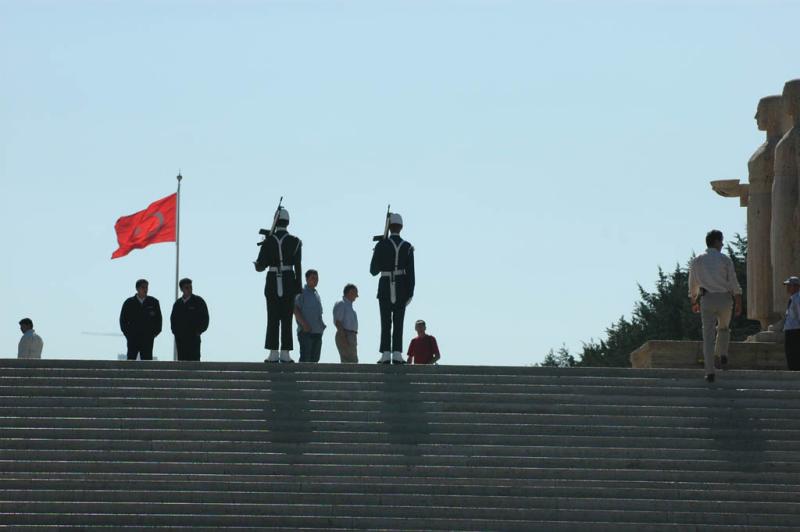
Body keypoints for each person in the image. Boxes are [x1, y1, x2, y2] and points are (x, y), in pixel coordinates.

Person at [688, 230, 743, 382]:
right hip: (725, 298)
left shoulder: (697, 260)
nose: (723, 244)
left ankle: (710, 371)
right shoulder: (725, 259)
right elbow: (733, 281)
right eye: (721, 241)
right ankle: (722, 353)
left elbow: (692, 283)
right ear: (717, 242)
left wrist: (693, 300)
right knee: (724, 327)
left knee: (708, 336)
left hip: (706, 298)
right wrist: (738, 299)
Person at [254, 208, 302, 363]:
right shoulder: (296, 241)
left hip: (272, 280)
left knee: (272, 317)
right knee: (287, 318)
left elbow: (261, 265)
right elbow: (298, 266)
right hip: (289, 280)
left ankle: (273, 352)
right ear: (288, 222)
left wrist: (257, 264)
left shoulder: (268, 241)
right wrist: (298, 288)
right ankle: (286, 353)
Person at [370, 212, 415, 364]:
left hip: (384, 286)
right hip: (402, 287)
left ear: (389, 227)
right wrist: (410, 292)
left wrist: (378, 251)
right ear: (401, 227)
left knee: (385, 321)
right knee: (398, 321)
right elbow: (411, 274)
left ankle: (385, 353)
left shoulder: (381, 245)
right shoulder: (407, 246)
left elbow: (373, 271)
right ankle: (396, 353)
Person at [119, 279, 162, 360]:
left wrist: (153, 334)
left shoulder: (154, 302)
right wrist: (128, 334)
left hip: (147, 338)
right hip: (133, 338)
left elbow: (158, 320)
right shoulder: (129, 303)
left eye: (146, 287)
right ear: (137, 289)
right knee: (131, 361)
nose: (145, 290)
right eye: (143, 287)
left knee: (147, 362)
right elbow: (122, 320)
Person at [170, 278, 210, 361]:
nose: (189, 289)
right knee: (182, 361)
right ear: (181, 289)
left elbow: (205, 318)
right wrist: (176, 333)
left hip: (194, 338)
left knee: (194, 361)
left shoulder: (198, 301)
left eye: (190, 287)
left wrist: (199, 331)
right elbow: (173, 320)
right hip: (181, 339)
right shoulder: (178, 304)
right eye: (187, 287)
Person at [294, 269, 326, 363]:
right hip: (306, 332)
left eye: (317, 278)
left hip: (317, 332)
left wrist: (322, 325)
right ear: (307, 279)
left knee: (315, 360)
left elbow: (318, 313)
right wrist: (304, 324)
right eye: (313, 278)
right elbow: (295, 309)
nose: (315, 280)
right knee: (305, 359)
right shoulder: (301, 292)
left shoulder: (316, 294)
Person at [333, 284, 359, 363]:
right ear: (350, 292)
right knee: (350, 361)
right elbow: (338, 322)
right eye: (355, 293)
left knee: (352, 361)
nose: (357, 296)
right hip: (345, 334)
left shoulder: (349, 306)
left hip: (350, 336)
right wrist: (343, 338)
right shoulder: (342, 304)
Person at [782, 276, 800, 370]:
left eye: (789, 285)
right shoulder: (793, 298)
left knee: (794, 354)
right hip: (791, 330)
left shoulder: (798, 298)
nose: (787, 287)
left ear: (796, 286)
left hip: (795, 330)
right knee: (790, 354)